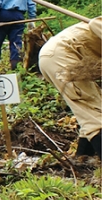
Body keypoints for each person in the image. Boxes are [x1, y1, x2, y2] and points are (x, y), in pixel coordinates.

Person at [38, 17, 101, 158]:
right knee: (94, 113)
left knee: (91, 109)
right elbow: (95, 24)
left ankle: (83, 157)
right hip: (62, 57)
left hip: (66, 58)